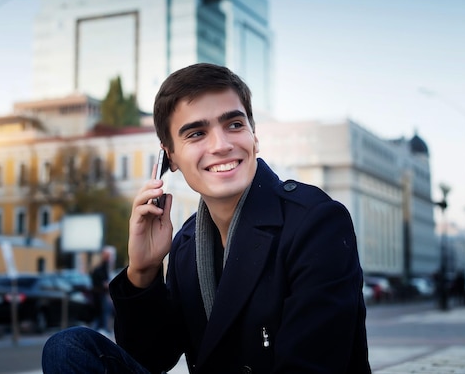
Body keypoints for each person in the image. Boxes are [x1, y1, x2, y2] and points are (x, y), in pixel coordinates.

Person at [42, 63, 371, 373]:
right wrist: (142, 270)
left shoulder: (316, 221)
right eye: (196, 133)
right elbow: (152, 358)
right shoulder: (187, 243)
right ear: (169, 156)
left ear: (254, 136)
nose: (221, 145)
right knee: (69, 347)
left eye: (234, 124)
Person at [90, 248, 112, 332]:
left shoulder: (102, 267)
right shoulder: (100, 268)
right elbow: (102, 282)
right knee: (103, 313)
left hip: (100, 294)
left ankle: (101, 330)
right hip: (100, 295)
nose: (109, 258)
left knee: (102, 313)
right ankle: (102, 330)